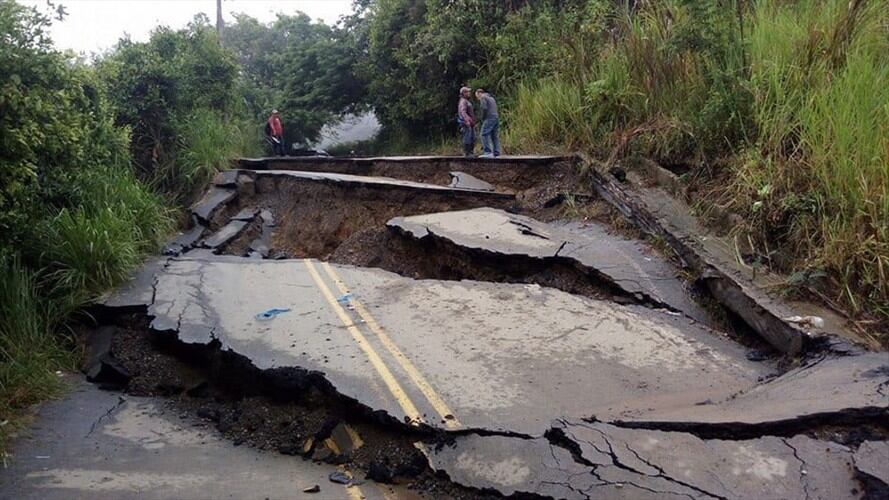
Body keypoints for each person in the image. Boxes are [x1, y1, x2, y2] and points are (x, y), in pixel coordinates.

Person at [475, 88, 500, 158]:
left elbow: (484, 108)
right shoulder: (491, 98)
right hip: (496, 117)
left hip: (489, 117)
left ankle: (488, 152)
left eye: (477, 96)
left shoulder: (483, 97)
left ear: (479, 93)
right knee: (494, 136)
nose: (478, 98)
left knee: (483, 134)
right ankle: (496, 153)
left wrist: (483, 118)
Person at [457, 87, 476, 157]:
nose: (469, 93)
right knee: (467, 138)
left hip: (470, 124)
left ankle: (471, 152)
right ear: (463, 93)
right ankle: (467, 153)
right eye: (467, 92)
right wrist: (467, 120)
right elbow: (463, 112)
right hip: (466, 123)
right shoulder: (463, 101)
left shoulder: (466, 101)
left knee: (472, 138)